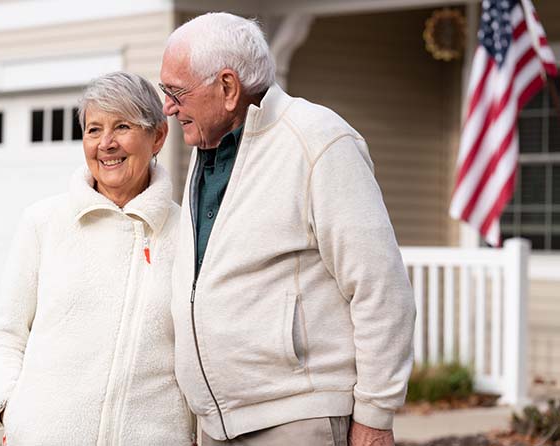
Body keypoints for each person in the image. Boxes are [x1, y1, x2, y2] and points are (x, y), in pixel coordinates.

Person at [161, 12, 416, 446]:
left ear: (227, 88)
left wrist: (375, 415)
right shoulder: (205, 150)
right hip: (218, 425)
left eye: (176, 92)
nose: (168, 106)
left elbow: (381, 287)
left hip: (298, 422)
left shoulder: (318, 141)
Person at [0, 71, 193, 445]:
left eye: (122, 126)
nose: (106, 144)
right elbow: (4, 335)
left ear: (158, 136)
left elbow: (199, 349)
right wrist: (13, 412)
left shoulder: (185, 233)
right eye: (94, 130)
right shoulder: (43, 223)